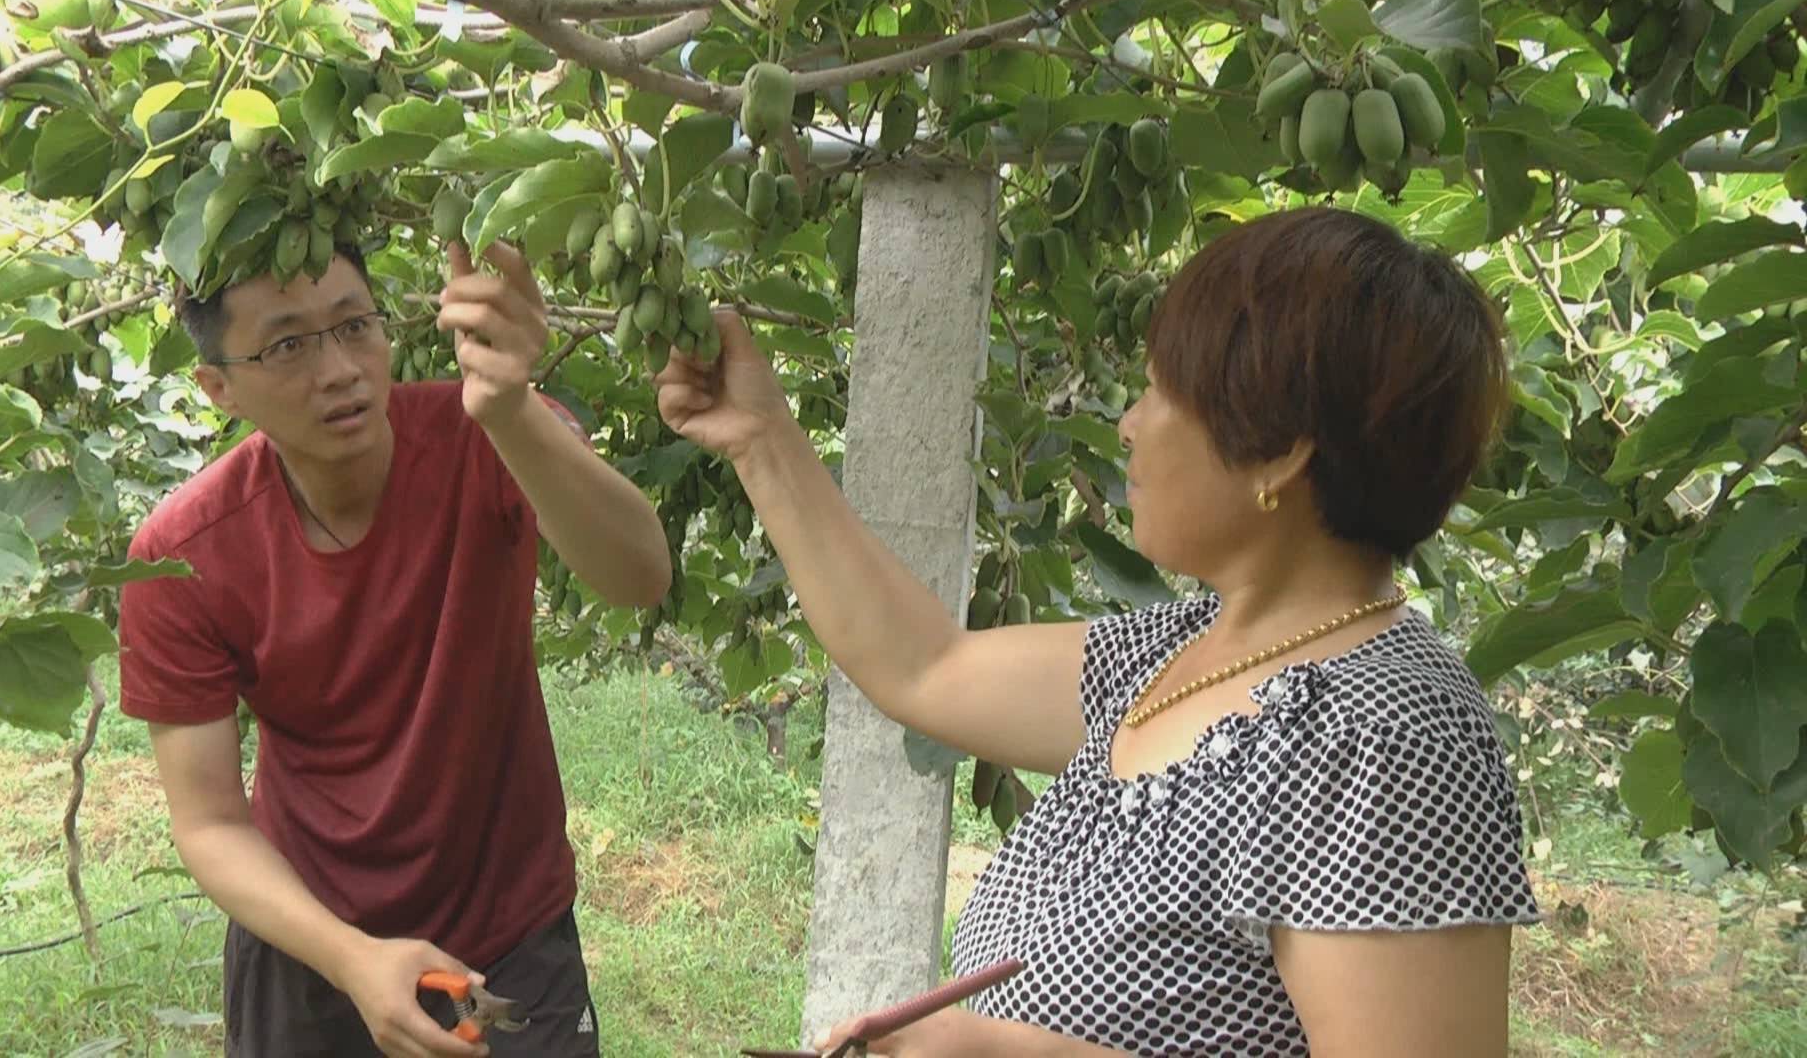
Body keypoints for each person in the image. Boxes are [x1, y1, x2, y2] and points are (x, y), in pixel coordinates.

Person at [656, 206, 1542, 1056]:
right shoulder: (1188, 650)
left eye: (1161, 393)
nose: (1128, 425)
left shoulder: (1387, 739)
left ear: (1278, 455)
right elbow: (925, 666)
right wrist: (760, 438)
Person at [116, 237, 673, 1058]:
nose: (339, 368)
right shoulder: (182, 553)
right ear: (218, 387)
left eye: (354, 325)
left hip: (508, 934)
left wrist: (512, 409)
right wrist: (352, 958)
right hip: (308, 943)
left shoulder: (490, 435)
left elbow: (639, 576)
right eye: (287, 345)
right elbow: (208, 824)